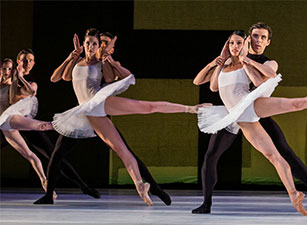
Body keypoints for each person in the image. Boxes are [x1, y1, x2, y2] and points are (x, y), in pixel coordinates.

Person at [193, 30, 307, 216]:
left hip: (250, 106)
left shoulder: (256, 63)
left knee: (297, 105)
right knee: (272, 157)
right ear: (228, 44)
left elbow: (261, 81)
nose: (235, 46)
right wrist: (215, 62)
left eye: (239, 43)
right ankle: (293, 195)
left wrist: (247, 61)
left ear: (252, 44)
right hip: (237, 117)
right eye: (232, 43)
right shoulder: (225, 63)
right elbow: (209, 85)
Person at [34, 28, 207, 205]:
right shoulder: (76, 61)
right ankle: (141, 185)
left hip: (98, 102)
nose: (92, 47)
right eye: (89, 43)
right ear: (83, 44)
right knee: (72, 153)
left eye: (95, 44)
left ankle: (191, 109)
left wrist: (107, 59)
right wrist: (71, 56)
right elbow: (57, 77)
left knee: (146, 109)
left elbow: (111, 78)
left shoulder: (101, 63)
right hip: (84, 112)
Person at [4, 49, 101, 199]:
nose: (27, 63)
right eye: (23, 60)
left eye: (30, 60)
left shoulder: (30, 81)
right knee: (32, 154)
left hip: (25, 123)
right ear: (18, 62)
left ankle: (83, 186)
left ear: (34, 63)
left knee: (53, 155)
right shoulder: (8, 75)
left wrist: (20, 77)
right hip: (6, 125)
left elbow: (22, 95)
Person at [0, 57, 55, 196]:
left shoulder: (14, 86)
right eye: (4, 68)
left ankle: (67, 124)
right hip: (4, 127)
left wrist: (20, 77)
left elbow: (31, 92)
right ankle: (44, 180)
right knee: (29, 155)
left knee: (42, 126)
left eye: (9, 69)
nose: (6, 71)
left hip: (11, 118)